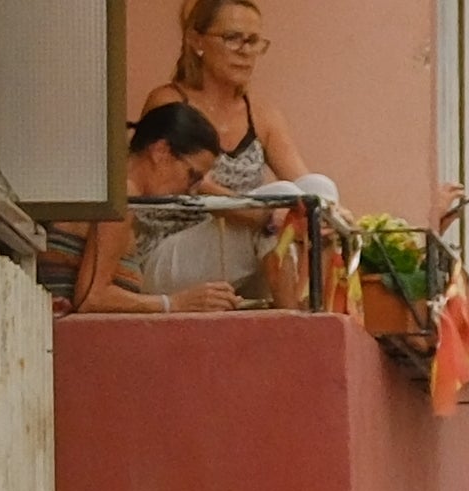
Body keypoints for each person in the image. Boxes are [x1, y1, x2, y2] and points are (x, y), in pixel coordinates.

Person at [125, 0, 301, 308]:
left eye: (254, 41)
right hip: (165, 252)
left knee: (318, 195)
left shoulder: (261, 112)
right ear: (196, 41)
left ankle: (308, 315)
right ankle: (298, 324)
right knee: (281, 203)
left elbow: (304, 182)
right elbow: (196, 184)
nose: (245, 51)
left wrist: (332, 212)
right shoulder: (170, 101)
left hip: (243, 247)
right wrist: (260, 214)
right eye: (233, 38)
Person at [72, 104, 241, 317]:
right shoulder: (123, 194)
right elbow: (91, 298)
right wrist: (174, 303)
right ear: (161, 151)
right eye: (193, 175)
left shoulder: (117, 192)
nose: (192, 190)